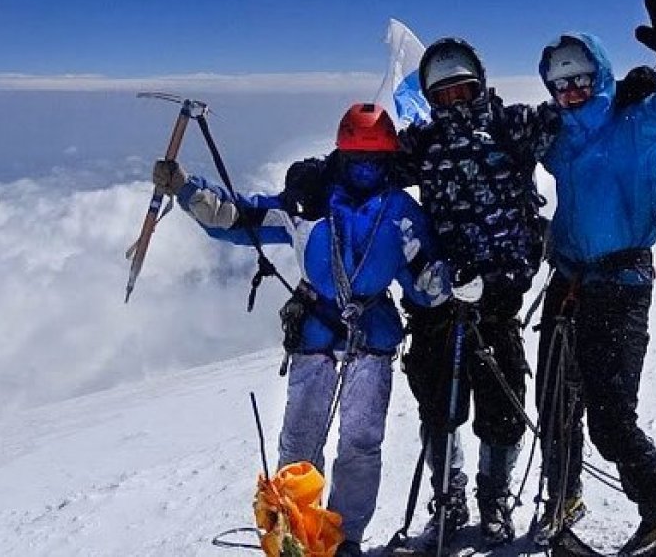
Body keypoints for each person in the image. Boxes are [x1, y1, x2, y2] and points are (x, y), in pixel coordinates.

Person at [282, 39, 560, 552]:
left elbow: (574, 122)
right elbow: (368, 160)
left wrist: (625, 97)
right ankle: (449, 497)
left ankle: (493, 498)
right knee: (438, 403)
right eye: (443, 93)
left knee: (500, 404)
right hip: (435, 294)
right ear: (431, 98)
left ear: (480, 84)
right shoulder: (425, 142)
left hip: (497, 292)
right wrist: (318, 175)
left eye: (463, 90)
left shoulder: (513, 125)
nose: (454, 101)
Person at [153, 103, 449, 557]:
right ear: (342, 157)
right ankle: (301, 536)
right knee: (316, 440)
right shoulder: (315, 203)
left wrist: (447, 283)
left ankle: (336, 539)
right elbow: (240, 218)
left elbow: (425, 284)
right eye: (358, 160)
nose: (367, 169)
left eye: (375, 160)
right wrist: (188, 189)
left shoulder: (391, 211)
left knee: (350, 442)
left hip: (355, 335)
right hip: (338, 333)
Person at [532, 0, 656, 557]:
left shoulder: (637, 127)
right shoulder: (556, 140)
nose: (571, 92)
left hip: (621, 289)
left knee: (609, 419)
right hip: (568, 284)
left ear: (600, 76)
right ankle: (564, 497)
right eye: (561, 84)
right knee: (555, 404)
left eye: (580, 79)